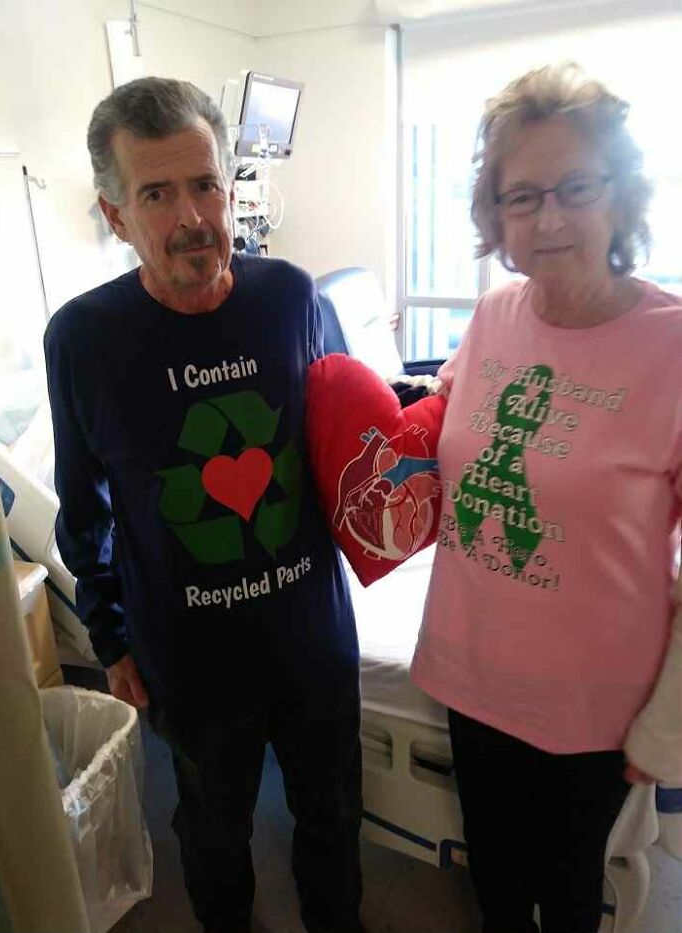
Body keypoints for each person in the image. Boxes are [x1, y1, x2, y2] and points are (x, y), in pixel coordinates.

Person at [44, 76, 363, 933]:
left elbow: (352, 440)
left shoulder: (292, 297)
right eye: (157, 193)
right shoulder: (84, 339)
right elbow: (83, 506)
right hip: (191, 658)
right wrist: (109, 637)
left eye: (205, 184)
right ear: (117, 217)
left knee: (332, 819)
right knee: (214, 837)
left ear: (229, 186)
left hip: (313, 639)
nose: (192, 215)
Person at [410, 63, 682, 933]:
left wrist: (668, 722)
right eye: (521, 197)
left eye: (575, 187)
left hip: (591, 704)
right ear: (495, 218)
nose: (550, 218)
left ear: (624, 192)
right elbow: (451, 412)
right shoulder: (493, 314)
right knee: (494, 877)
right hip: (470, 667)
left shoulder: (672, 346)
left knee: (567, 892)